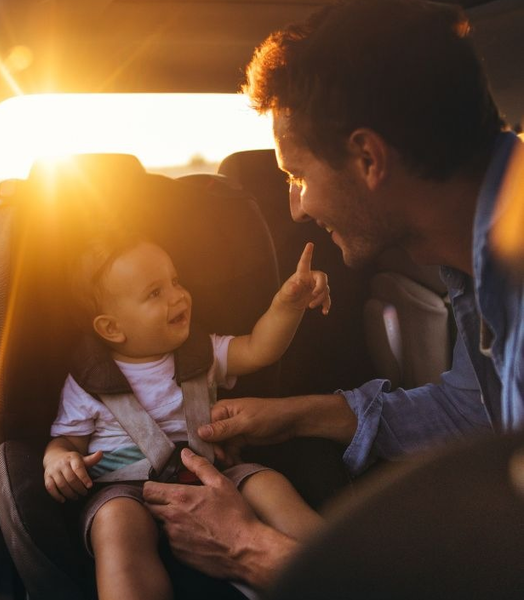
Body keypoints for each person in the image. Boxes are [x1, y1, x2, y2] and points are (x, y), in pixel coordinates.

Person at [143, 0, 524, 592]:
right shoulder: (482, 259)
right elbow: (477, 413)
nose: (296, 207)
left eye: (297, 175)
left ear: (368, 158)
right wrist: (300, 415)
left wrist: (252, 550)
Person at [43, 233, 329, 600]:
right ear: (112, 328)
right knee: (116, 525)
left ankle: (332, 560)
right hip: (125, 489)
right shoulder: (89, 381)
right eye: (154, 293)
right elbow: (68, 441)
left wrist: (288, 305)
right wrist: (58, 459)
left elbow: (259, 348)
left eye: (175, 282)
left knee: (268, 484)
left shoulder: (201, 352)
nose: (178, 296)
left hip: (212, 473)